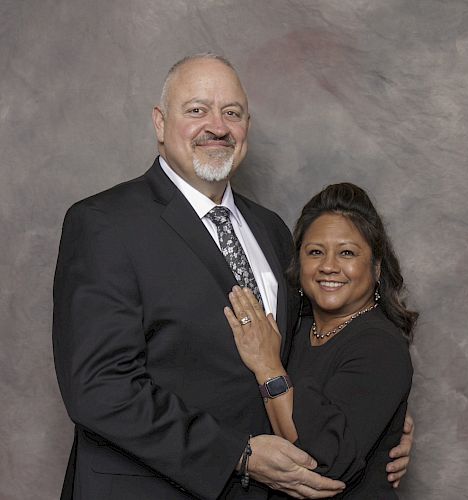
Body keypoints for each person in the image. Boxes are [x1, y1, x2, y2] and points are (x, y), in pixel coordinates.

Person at [52, 54, 412, 500]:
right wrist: (236, 454)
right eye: (197, 110)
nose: (217, 127)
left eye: (232, 113)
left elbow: (306, 349)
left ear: (246, 128)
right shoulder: (107, 222)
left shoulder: (273, 230)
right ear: (160, 124)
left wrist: (375, 421)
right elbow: (99, 389)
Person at [225, 183, 418, 498]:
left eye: (347, 252)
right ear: (299, 263)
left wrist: (266, 365)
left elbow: (320, 464)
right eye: (315, 252)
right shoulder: (294, 330)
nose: (329, 266)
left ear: (376, 266)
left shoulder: (381, 346)